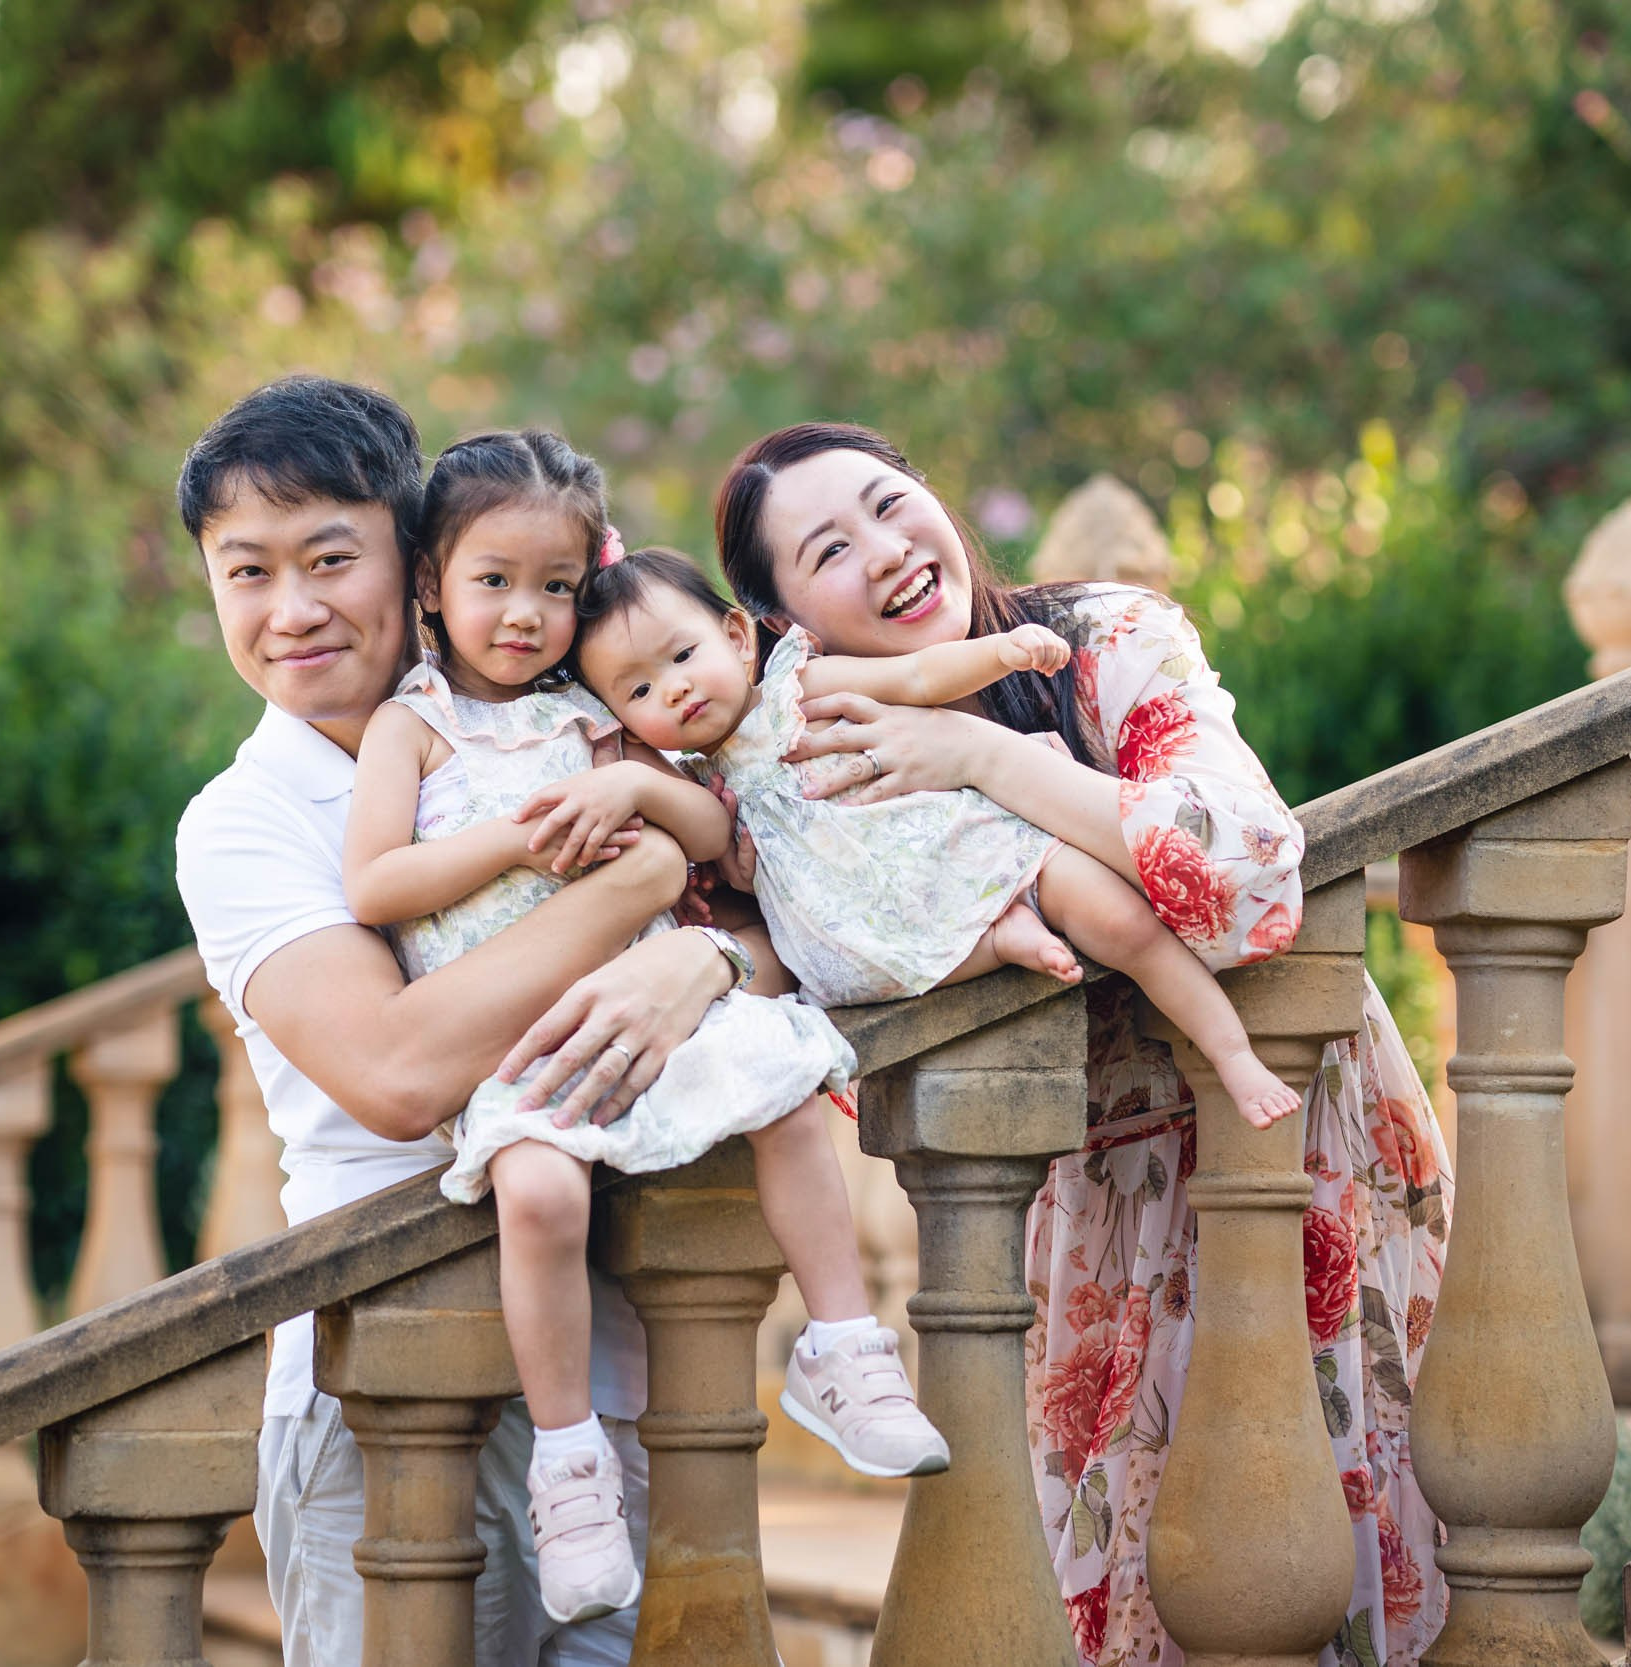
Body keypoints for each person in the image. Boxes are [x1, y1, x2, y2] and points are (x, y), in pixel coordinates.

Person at [712, 423, 1453, 1667]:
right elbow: (799, 941)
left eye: (894, 504)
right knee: (1129, 1567)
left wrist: (980, 753)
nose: (890, 550)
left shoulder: (1104, 636)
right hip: (1096, 1190)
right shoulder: (809, 747)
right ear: (785, 627)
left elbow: (1241, 867)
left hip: (1290, 1142)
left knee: (1344, 1510)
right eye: (830, 548)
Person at [173, 377, 764, 1667]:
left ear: (417, 555)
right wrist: (640, 881)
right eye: (247, 572)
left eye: (332, 557)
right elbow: (396, 1070)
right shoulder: (246, 818)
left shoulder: (579, 718)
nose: (294, 609)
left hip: (621, 1359)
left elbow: (786, 932)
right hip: (393, 1368)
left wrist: (702, 963)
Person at [341, 431, 947, 1620]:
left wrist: (627, 782)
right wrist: (519, 836)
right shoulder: (410, 727)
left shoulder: (592, 706)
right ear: (430, 584)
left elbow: (710, 836)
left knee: (777, 1092)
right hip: (525, 1046)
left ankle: (841, 1344)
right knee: (540, 1193)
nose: (526, 613)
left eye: (555, 586)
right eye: (493, 581)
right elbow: (373, 887)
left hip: (643, 1011)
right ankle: (568, 1470)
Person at [571, 546, 1302, 1131]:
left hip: (961, 844)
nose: (671, 690)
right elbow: (723, 867)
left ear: (735, 635)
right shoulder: (701, 783)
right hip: (855, 920)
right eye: (637, 692)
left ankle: (1232, 1054)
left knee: (1118, 918)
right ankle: (997, 940)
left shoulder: (802, 686)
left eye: (680, 656)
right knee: (849, 977)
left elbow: (917, 674)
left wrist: (1003, 652)